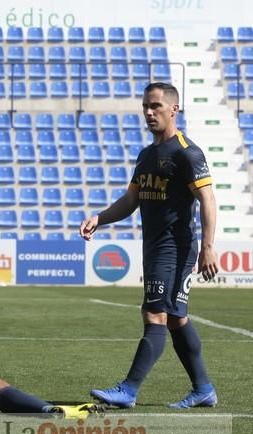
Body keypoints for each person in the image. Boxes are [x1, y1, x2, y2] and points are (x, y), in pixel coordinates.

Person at [79, 82, 219, 409]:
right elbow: (131, 199)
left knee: (154, 314)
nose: (149, 112)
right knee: (175, 319)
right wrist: (100, 218)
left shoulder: (187, 153)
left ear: (174, 109)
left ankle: (128, 389)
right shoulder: (147, 155)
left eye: (156, 106)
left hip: (175, 247)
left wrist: (208, 246)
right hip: (154, 248)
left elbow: (208, 199)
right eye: (145, 106)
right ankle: (203, 388)